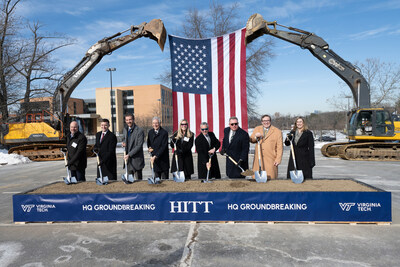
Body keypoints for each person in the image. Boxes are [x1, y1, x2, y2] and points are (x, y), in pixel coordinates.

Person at [250, 115, 283, 180]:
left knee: (270, 180)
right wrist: (255, 137)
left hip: (271, 159)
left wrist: (278, 159)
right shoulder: (257, 129)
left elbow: (280, 147)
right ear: (262, 122)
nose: (266, 122)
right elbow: (251, 140)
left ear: (270, 121)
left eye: (268, 120)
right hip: (258, 160)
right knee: (257, 180)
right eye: (264, 121)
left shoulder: (277, 131)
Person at [122, 114, 145, 180]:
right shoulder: (125, 129)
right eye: (126, 120)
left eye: (130, 119)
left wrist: (129, 154)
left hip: (136, 161)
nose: (128, 121)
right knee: (129, 183)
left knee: (139, 182)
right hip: (128, 161)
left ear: (133, 120)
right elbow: (125, 139)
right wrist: (124, 143)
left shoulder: (139, 131)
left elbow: (139, 146)